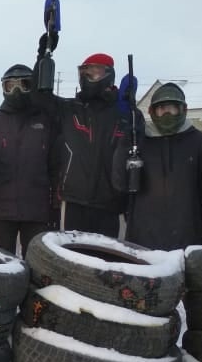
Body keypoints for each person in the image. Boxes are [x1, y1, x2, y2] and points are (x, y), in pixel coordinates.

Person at [112, 82, 202, 250]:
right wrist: (125, 143)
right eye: (161, 108)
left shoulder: (198, 142)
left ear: (183, 110)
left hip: (188, 241)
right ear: (152, 111)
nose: (167, 113)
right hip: (142, 242)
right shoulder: (139, 141)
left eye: (172, 108)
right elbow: (120, 183)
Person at [0, 63, 63, 256]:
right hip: (3, 210)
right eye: (10, 86)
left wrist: (55, 207)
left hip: (37, 211)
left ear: (33, 87)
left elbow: (56, 166)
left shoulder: (46, 121)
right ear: (3, 88)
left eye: (24, 84)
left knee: (36, 261)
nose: (16, 91)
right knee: (3, 263)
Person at [31, 52, 129, 237]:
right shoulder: (69, 109)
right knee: (72, 253)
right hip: (73, 202)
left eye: (94, 71)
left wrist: (130, 109)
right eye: (84, 72)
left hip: (111, 205)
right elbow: (38, 97)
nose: (87, 76)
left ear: (109, 74)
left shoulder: (124, 114)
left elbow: (138, 147)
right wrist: (42, 58)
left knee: (108, 255)